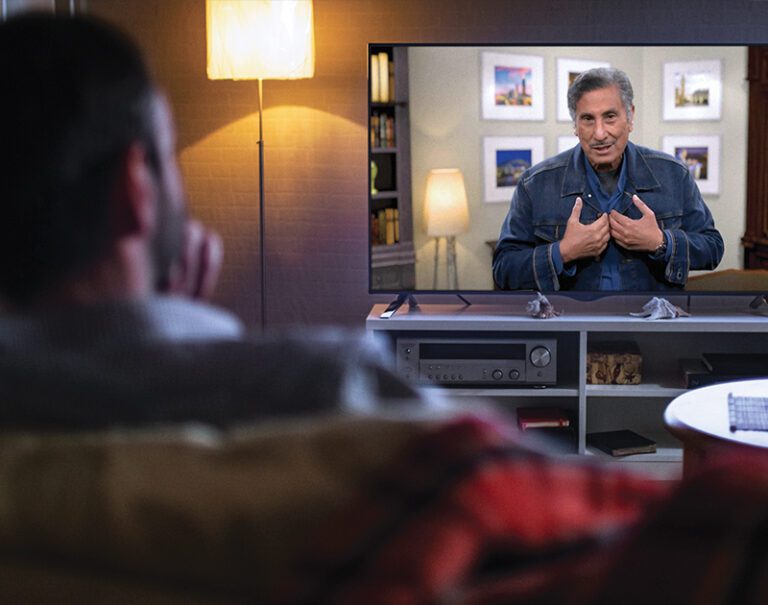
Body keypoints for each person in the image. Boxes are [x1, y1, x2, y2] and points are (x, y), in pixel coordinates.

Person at [0, 13, 422, 429]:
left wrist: (161, 327)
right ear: (135, 189)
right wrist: (177, 338)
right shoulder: (346, 388)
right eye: (167, 152)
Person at [492, 67, 724, 291]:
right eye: (588, 119)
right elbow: (503, 269)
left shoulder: (674, 174)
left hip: (651, 324)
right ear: (575, 125)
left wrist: (661, 241)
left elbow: (713, 248)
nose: (600, 133)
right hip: (573, 323)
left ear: (630, 117)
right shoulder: (535, 184)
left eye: (610, 117)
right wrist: (563, 252)